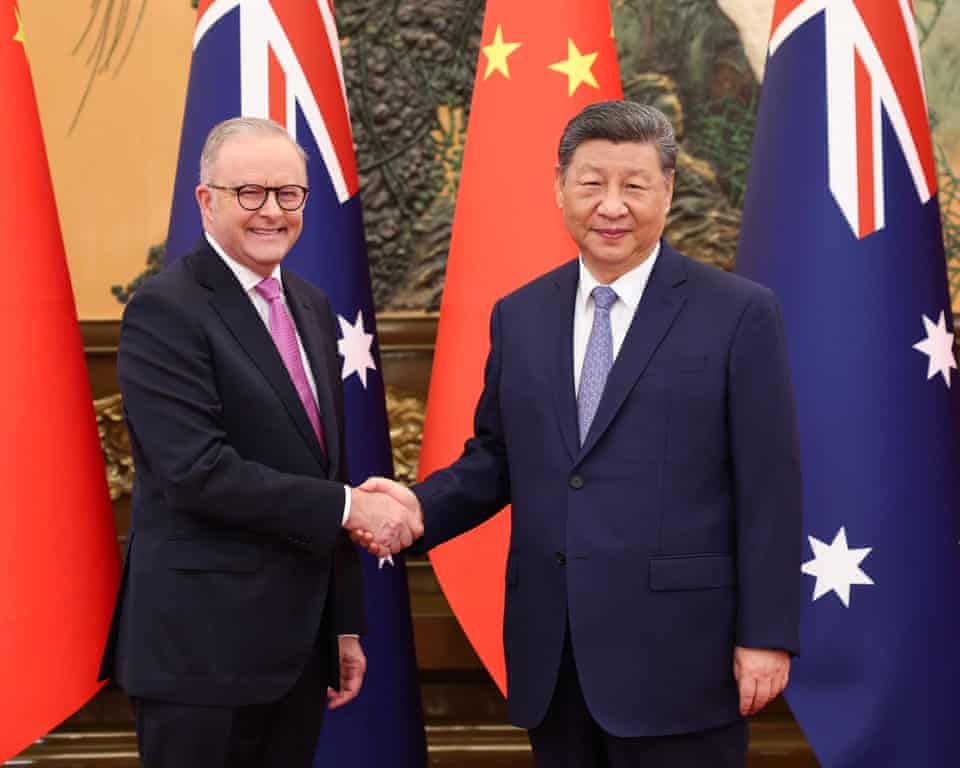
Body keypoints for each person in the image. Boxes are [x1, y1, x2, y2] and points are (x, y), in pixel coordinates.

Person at [361, 101, 802, 767]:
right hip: (556, 658)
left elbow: (769, 485)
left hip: (684, 660)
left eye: (635, 184)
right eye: (593, 183)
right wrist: (417, 508)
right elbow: (499, 458)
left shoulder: (739, 314)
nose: (612, 205)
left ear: (669, 190)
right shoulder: (521, 315)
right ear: (561, 188)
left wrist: (766, 635)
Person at [99, 117, 421, 768]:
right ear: (206, 200)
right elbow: (197, 471)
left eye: (288, 194)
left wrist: (343, 624)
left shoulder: (310, 303)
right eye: (249, 193)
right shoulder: (166, 309)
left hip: (297, 653)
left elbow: (326, 462)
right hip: (199, 660)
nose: (271, 211)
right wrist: (352, 508)